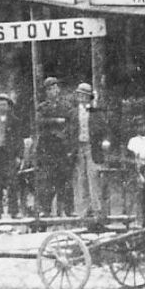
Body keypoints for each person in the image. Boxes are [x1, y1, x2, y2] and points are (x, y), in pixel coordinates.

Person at [65, 82, 109, 216]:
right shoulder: (72, 113)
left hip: (92, 148)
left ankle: (96, 210)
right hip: (78, 149)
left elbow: (105, 129)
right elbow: (68, 132)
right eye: (80, 95)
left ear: (89, 97)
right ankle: (83, 211)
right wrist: (69, 148)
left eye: (85, 96)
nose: (82, 98)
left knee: (93, 178)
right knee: (80, 179)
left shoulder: (96, 112)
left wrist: (105, 141)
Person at [34, 78, 73, 216]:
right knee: (47, 182)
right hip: (47, 148)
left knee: (65, 180)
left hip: (62, 148)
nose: (52, 91)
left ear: (59, 89)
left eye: (55, 88)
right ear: (46, 92)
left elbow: (71, 122)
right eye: (49, 89)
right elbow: (39, 121)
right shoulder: (42, 107)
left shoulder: (66, 106)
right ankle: (45, 211)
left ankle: (67, 210)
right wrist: (56, 121)